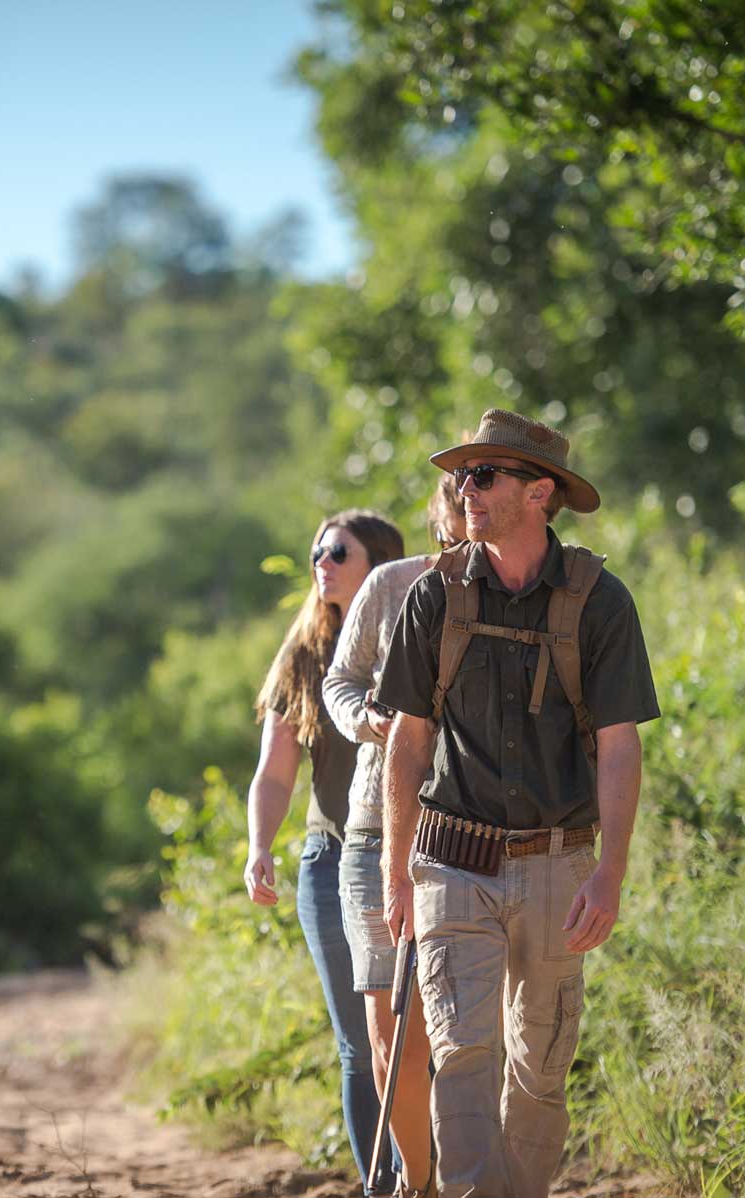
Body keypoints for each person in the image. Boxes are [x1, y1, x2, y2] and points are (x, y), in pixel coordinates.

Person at [376, 410, 659, 1198]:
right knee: (463, 1055)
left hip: (556, 865)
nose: (465, 490)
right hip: (450, 865)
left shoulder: (600, 603)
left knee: (540, 1069)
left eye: (485, 475)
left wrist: (610, 872)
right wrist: (397, 871)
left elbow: (620, 745)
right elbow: (406, 742)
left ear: (540, 493)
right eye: (462, 476)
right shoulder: (435, 595)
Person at [243, 509, 405, 1193]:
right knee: (358, 1041)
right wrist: (259, 846)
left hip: (418, 857)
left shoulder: (416, 634)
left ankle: (420, 1177)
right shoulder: (304, 653)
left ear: (383, 565)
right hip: (330, 860)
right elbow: (276, 772)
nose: (323, 562)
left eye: (339, 551)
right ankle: (381, 1183)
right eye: (317, 550)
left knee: (416, 1041)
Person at [322, 473, 465, 1196]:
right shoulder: (392, 584)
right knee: (391, 1037)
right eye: (459, 486)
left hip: (475, 836)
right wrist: (369, 723)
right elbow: (340, 681)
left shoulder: (532, 596)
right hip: (376, 831)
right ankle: (418, 1181)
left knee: (463, 1038)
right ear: (443, 507)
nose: (470, 498)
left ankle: (464, 1173)